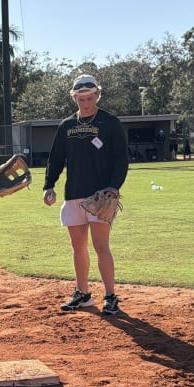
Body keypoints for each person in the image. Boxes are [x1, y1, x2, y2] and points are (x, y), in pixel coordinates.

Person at [43, 74, 129, 316]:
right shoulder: (67, 126)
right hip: (74, 195)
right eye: (81, 98)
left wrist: (114, 186)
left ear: (97, 96)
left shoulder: (110, 123)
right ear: (74, 98)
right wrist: (49, 185)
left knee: (101, 246)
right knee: (78, 246)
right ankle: (82, 294)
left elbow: (122, 158)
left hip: (100, 196)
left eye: (90, 98)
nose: (86, 103)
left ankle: (110, 296)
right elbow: (56, 159)